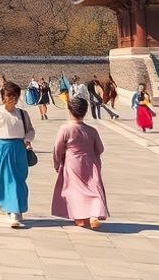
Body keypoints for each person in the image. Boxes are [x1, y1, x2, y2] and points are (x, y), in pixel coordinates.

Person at [0, 80, 34, 228]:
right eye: (9, 95)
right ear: (3, 96)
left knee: (18, 179)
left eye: (15, 96)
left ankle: (15, 208)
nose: (12, 99)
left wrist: (27, 139)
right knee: (6, 179)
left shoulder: (23, 114)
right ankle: (13, 211)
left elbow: (30, 130)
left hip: (19, 148)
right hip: (1, 148)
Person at [51, 97, 109, 229]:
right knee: (93, 188)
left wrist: (57, 163)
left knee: (75, 190)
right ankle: (94, 214)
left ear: (69, 111)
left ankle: (80, 217)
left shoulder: (65, 129)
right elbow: (100, 149)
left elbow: (58, 149)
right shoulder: (92, 130)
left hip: (72, 162)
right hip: (90, 162)